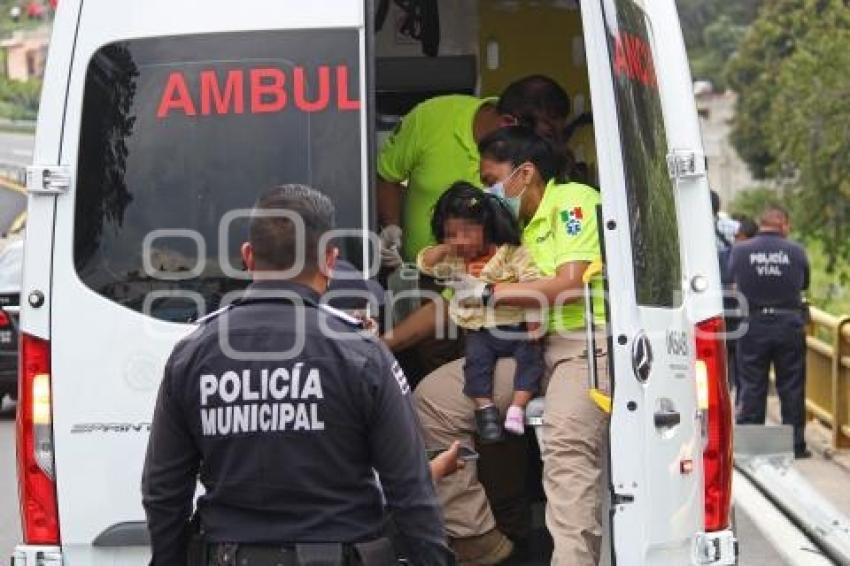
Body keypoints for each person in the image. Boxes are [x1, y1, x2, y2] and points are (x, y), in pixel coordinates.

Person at [141, 184, 452, 566]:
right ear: (330, 261)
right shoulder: (363, 354)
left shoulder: (192, 354)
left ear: (248, 257)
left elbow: (163, 491)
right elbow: (410, 488)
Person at [414, 127, 607, 565]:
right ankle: (482, 543)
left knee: (565, 444)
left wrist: (487, 295)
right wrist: (386, 340)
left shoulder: (571, 201)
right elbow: (449, 297)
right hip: (523, 345)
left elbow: (572, 283)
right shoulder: (509, 226)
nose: (487, 190)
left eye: (490, 178)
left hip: (579, 343)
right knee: (432, 402)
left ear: (524, 174)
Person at [377, 75, 573, 270]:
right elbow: (386, 175)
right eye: (487, 181)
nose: (543, 148)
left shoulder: (562, 187)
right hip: (420, 279)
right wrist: (392, 228)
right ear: (508, 124)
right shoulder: (432, 118)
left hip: (497, 281)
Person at [417, 182, 543, 442]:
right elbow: (424, 264)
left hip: (516, 329)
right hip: (479, 334)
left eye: (466, 232)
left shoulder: (510, 254)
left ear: (487, 227)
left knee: (530, 362)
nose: (459, 241)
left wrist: (533, 325)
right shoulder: (453, 261)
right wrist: (444, 248)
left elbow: (533, 287)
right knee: (475, 367)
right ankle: (485, 412)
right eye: (450, 234)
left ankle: (517, 409)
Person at [729, 203, 811, 459]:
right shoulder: (796, 252)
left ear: (762, 223)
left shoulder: (741, 251)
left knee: (752, 385)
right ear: (783, 224)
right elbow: (805, 283)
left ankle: (753, 446)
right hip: (789, 325)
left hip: (752, 325)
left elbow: (731, 278)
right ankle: (794, 445)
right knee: (792, 387)